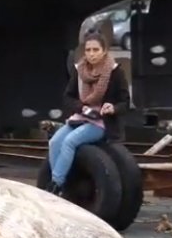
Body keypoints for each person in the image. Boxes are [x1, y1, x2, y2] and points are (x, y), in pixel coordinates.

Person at [46, 31, 130, 194]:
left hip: (102, 122)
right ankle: (62, 179)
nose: (91, 54)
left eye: (96, 50)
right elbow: (68, 98)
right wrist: (81, 107)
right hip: (81, 116)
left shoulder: (115, 72)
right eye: (88, 50)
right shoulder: (80, 71)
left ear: (104, 51)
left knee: (70, 141)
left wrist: (113, 108)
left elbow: (125, 102)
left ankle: (56, 184)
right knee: (55, 141)